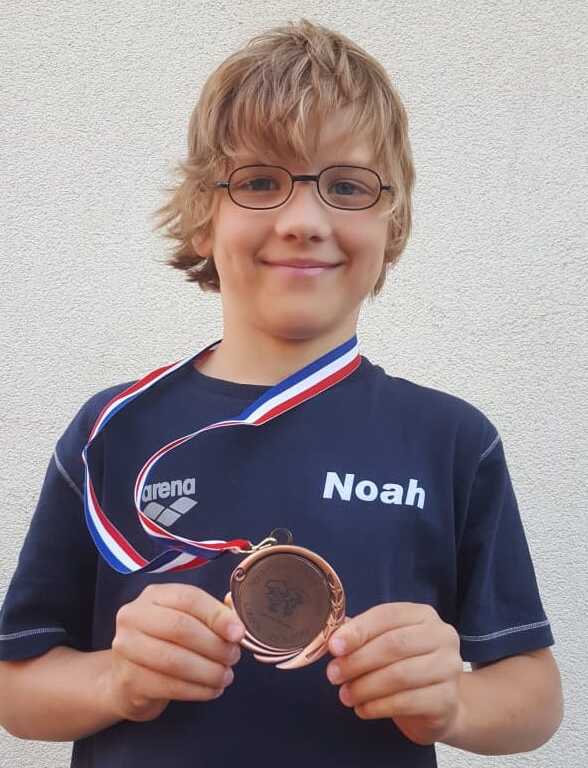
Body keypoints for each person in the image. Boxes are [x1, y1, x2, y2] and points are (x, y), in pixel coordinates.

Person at [0, 18, 562, 768]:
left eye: (348, 186)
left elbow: (535, 698)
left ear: (391, 222)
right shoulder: (112, 430)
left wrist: (455, 702)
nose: (303, 221)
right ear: (206, 216)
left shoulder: (452, 440)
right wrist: (116, 680)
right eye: (260, 181)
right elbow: (15, 685)